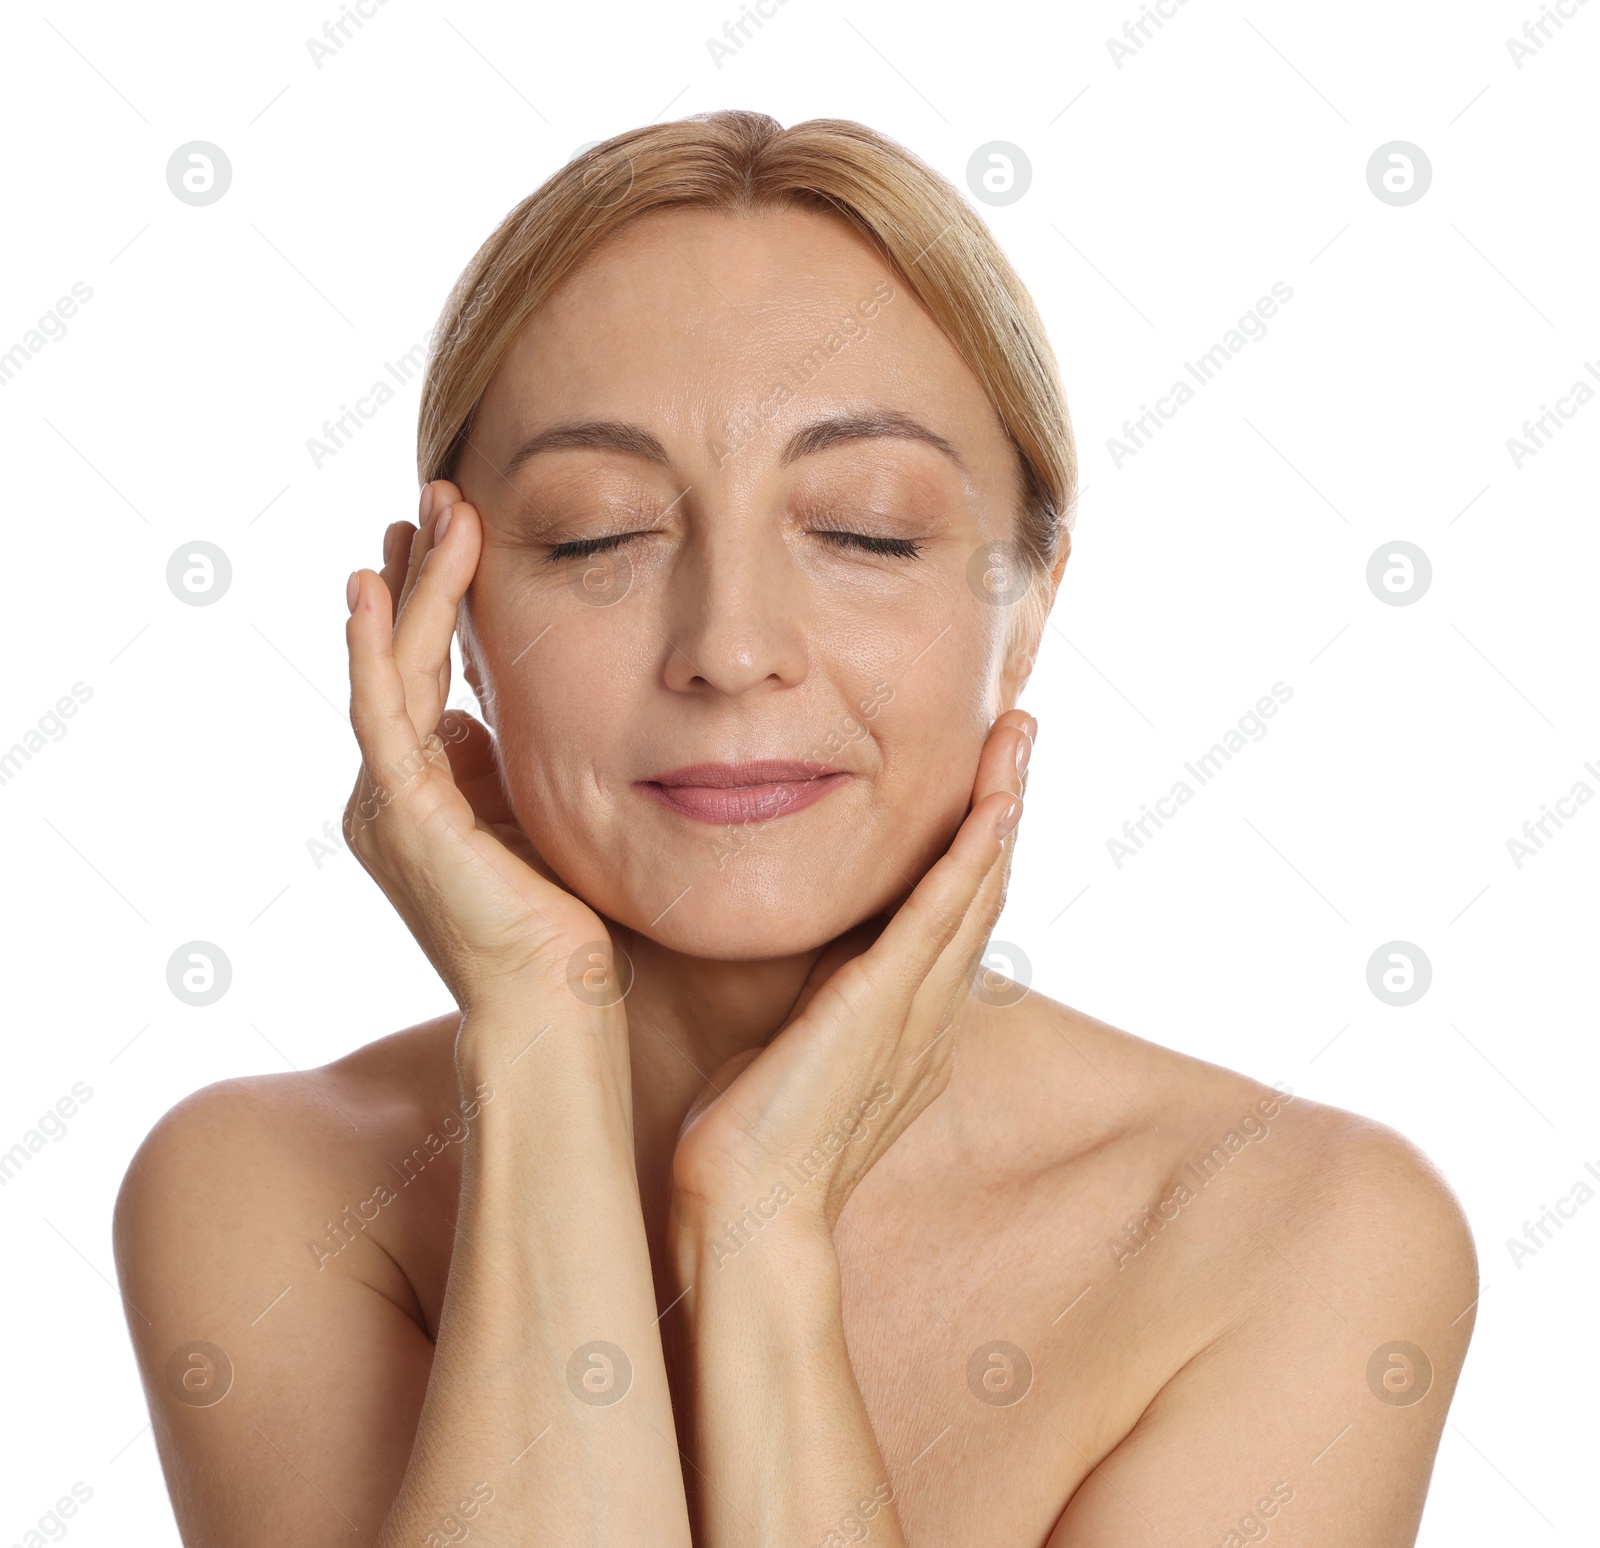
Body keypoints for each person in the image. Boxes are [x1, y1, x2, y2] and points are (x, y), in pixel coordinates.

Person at [112, 109, 1477, 1547]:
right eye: (595, 534)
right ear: (447, 626)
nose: (731, 646)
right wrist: (538, 1036)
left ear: (1027, 610)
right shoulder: (264, 1196)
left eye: (867, 530)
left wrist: (760, 1230)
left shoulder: (1304, 1238)